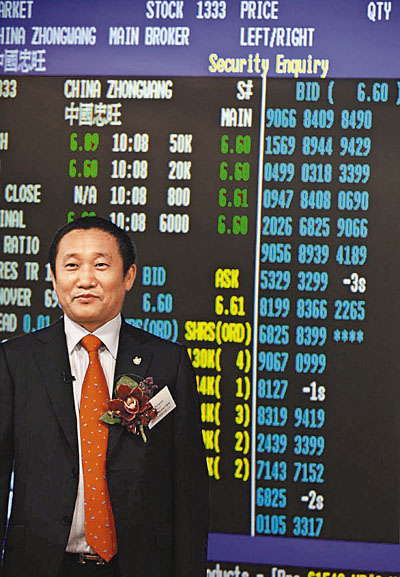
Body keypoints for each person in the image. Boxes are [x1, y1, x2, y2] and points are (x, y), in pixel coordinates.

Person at [0, 216, 208, 577]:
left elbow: (189, 488)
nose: (85, 280)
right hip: (40, 563)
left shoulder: (167, 363)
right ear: (53, 278)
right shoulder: (15, 361)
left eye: (100, 265)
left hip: (140, 565)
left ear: (128, 276)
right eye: (71, 266)